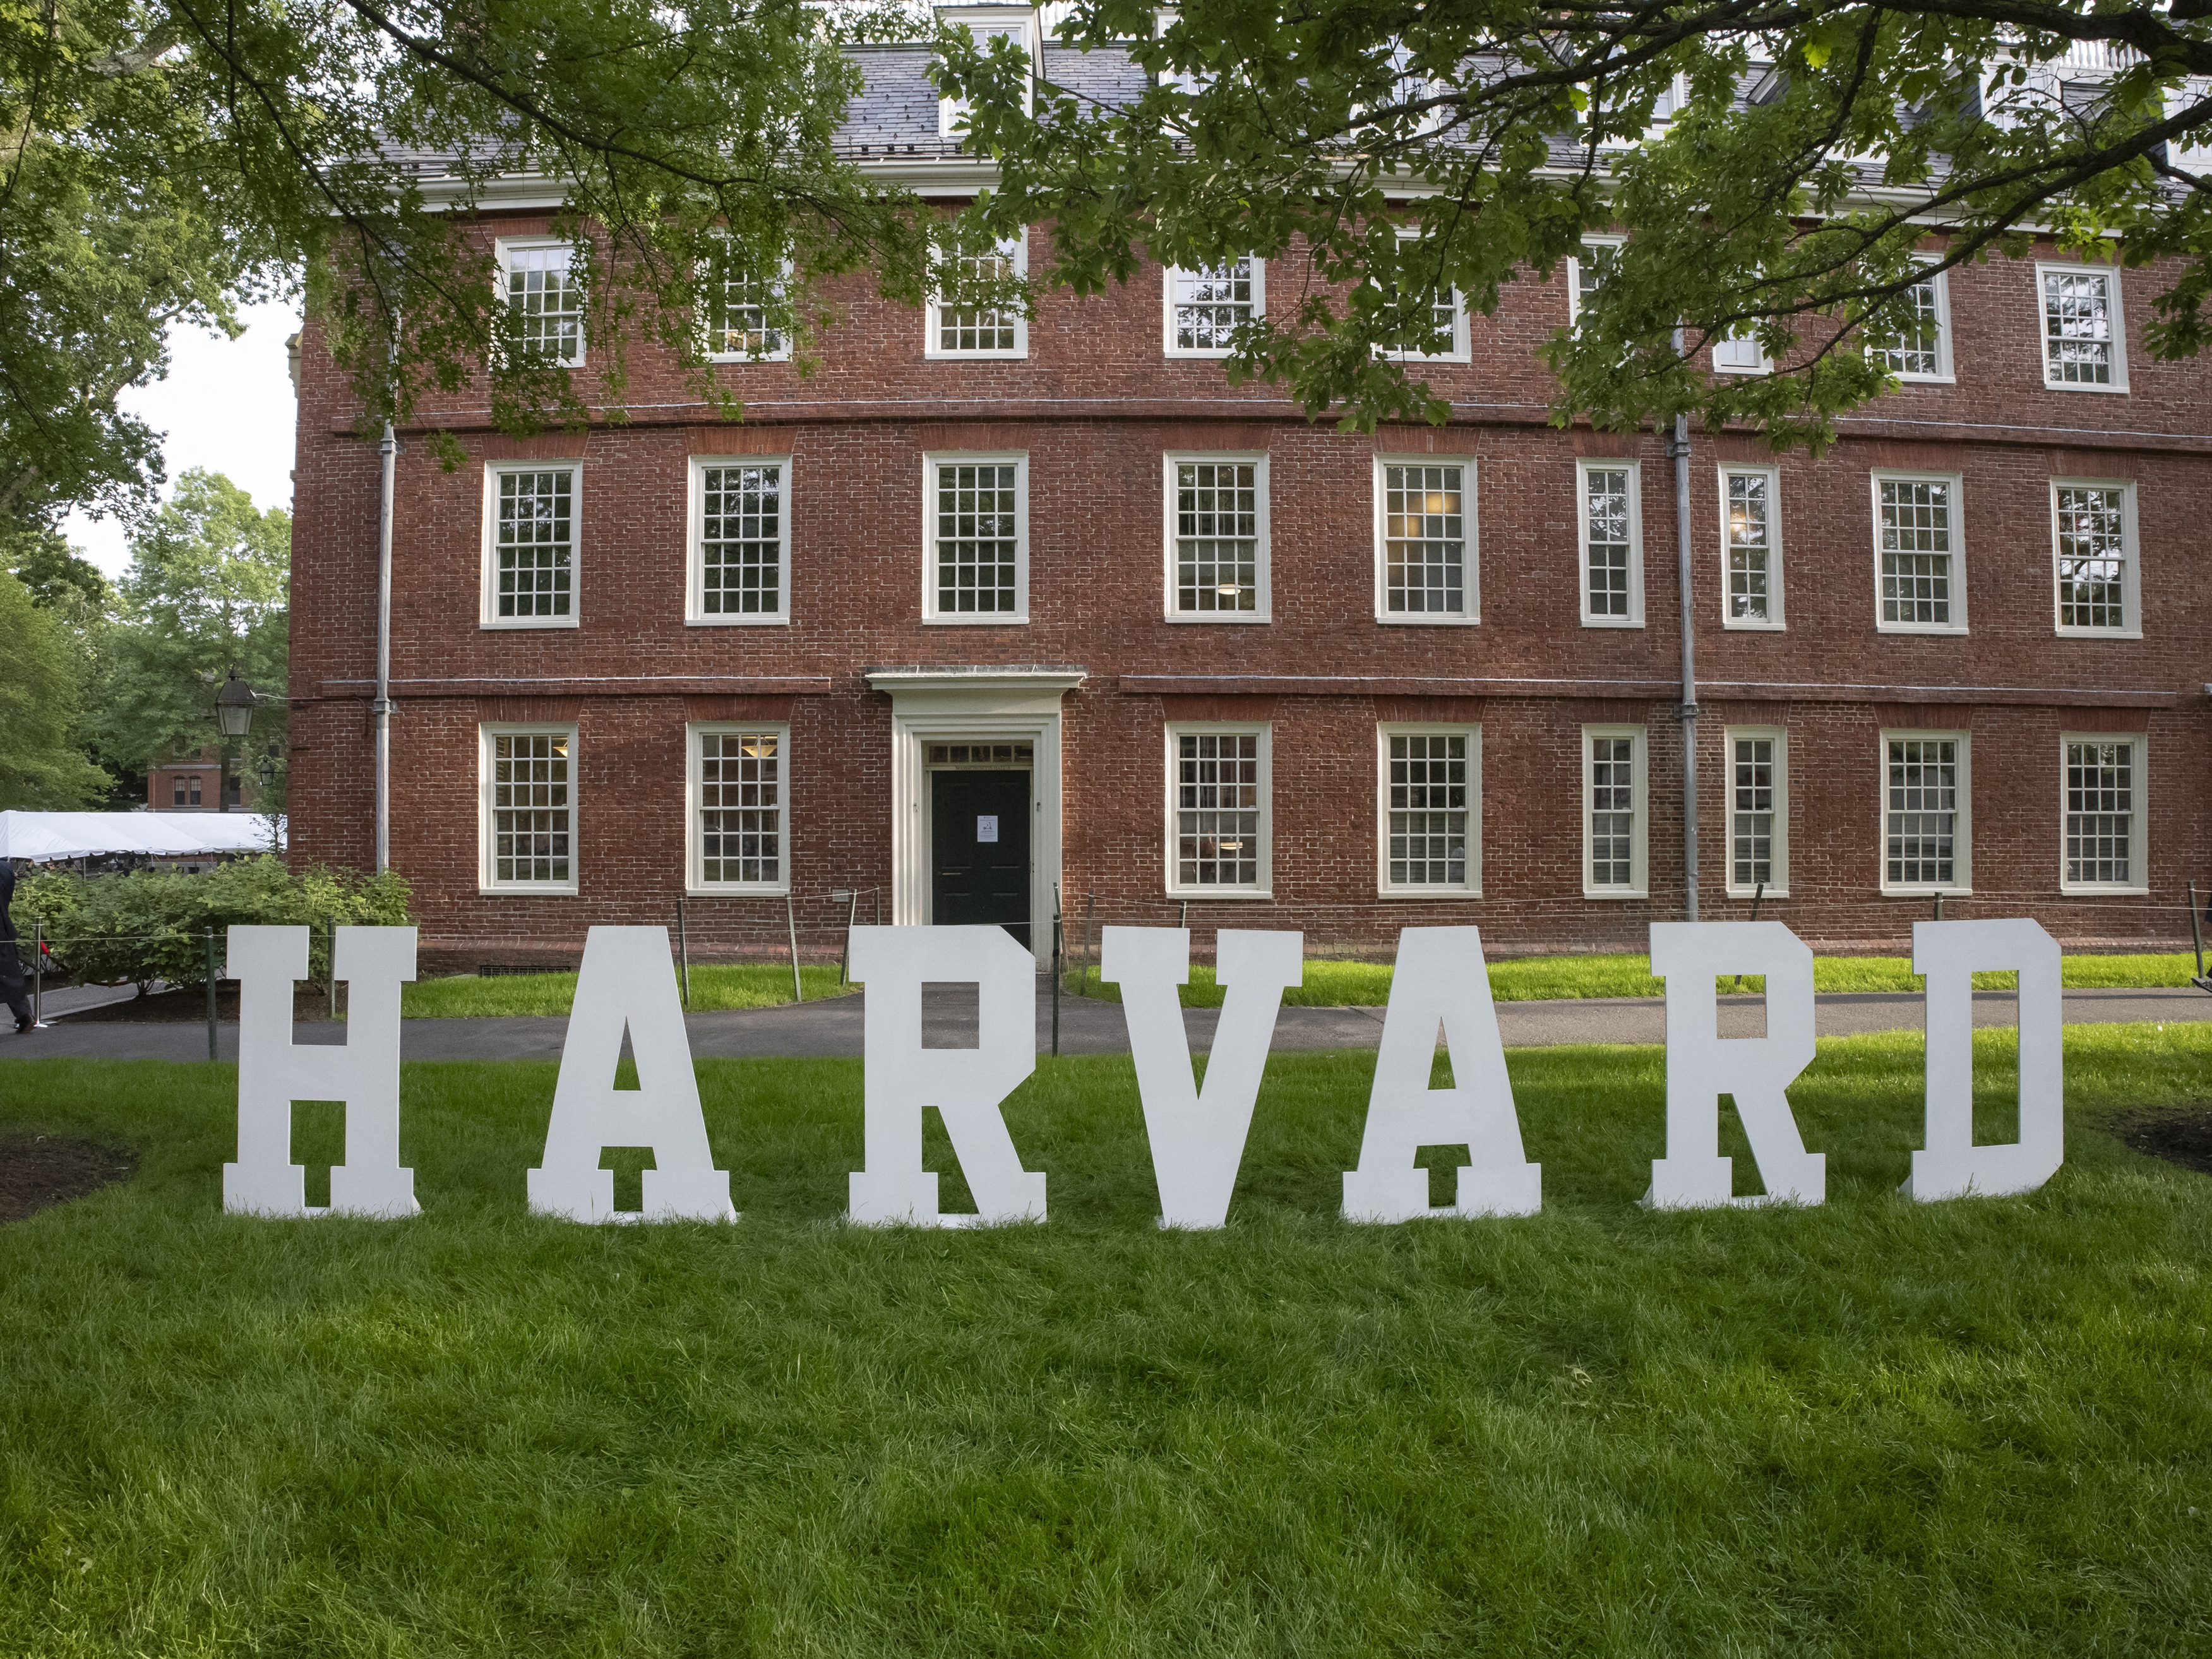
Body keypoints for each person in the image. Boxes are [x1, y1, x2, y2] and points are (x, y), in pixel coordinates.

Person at [0, 858, 33, 1032]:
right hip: (3, 927)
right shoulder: (5, 868)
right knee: (9, 973)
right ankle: (24, 1015)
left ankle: (24, 1016)